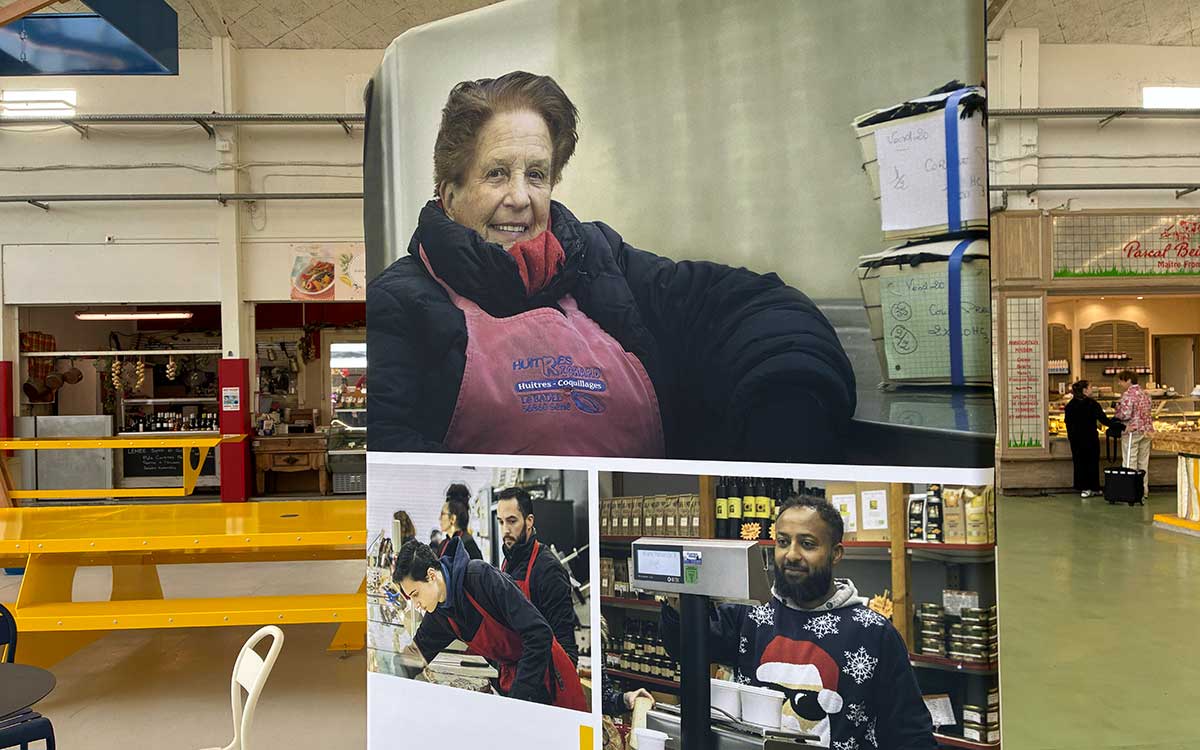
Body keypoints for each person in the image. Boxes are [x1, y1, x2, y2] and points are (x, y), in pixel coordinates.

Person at [367, 70, 856, 463]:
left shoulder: (601, 264)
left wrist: (789, 414)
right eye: (497, 174)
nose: (520, 197)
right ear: (450, 195)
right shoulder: (400, 302)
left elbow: (756, 306)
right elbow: (390, 456)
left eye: (536, 175)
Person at [660, 494, 935, 749]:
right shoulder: (751, 615)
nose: (791, 554)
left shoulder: (872, 632)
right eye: (782, 541)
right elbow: (684, 647)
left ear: (836, 553)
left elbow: (910, 733)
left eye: (807, 544)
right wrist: (676, 605)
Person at [394, 538, 587, 711]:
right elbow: (417, 653)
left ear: (431, 575)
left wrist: (517, 702)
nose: (416, 604)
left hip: (550, 676)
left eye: (415, 594)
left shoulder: (480, 578)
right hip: (515, 678)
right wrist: (387, 674)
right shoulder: (439, 612)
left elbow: (539, 634)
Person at [496, 487, 579, 665]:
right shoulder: (508, 562)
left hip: (538, 678)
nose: (505, 531)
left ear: (529, 521)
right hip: (512, 669)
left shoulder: (547, 569)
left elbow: (566, 647)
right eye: (501, 522)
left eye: (512, 521)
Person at [1065, 380, 1112, 498]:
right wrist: (1119, 425)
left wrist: (1071, 437)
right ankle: (1093, 487)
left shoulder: (1070, 405)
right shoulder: (1092, 404)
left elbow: (1068, 423)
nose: (1092, 389)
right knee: (1092, 463)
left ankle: (1083, 487)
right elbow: (1104, 420)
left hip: (1076, 439)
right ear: (1085, 390)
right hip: (1090, 438)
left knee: (1079, 463)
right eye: (1091, 387)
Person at [1115, 370, 1154, 499]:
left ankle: (1130, 491)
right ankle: (1143, 490)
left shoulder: (1128, 395)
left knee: (1130, 461)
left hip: (1132, 431)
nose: (1119, 383)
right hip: (1147, 430)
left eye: (1121, 380)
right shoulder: (1145, 394)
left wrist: (1116, 411)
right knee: (1143, 462)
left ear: (1128, 380)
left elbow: (1124, 415)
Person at [437, 483, 483, 560]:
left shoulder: (468, 545)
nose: (439, 518)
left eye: (442, 514)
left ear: (453, 518)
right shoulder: (443, 544)